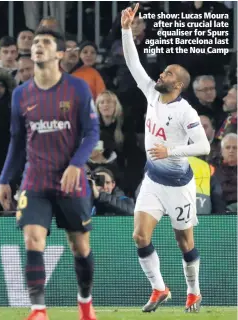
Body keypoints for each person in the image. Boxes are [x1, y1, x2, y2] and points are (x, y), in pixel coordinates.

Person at [0, 26, 99, 320]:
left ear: (60, 53)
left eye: (45, 42)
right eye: (36, 42)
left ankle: (85, 303)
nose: (38, 46)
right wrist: (5, 178)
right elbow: (17, 142)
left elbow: (92, 132)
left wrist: (76, 164)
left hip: (71, 179)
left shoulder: (77, 88)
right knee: (32, 240)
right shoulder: (20, 94)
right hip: (35, 179)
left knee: (80, 247)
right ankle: (38, 310)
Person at [121, 4, 210, 313]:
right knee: (139, 235)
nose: (162, 74)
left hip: (178, 184)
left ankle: (194, 291)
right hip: (153, 180)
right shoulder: (151, 92)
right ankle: (159, 288)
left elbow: (203, 147)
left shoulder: (185, 111)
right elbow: (133, 64)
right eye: (163, 70)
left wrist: (169, 151)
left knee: (184, 242)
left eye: (168, 73)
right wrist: (125, 30)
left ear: (179, 84)